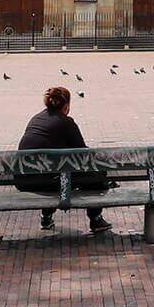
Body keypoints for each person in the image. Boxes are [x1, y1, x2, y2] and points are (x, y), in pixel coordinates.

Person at [16, 86, 113, 234]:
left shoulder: (36, 119)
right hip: (47, 181)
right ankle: (96, 219)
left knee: (52, 174)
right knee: (93, 176)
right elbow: (83, 154)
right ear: (66, 106)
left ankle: (46, 217)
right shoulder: (66, 123)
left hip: (24, 181)